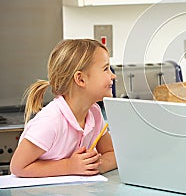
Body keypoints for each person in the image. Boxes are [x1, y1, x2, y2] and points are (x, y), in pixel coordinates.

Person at [10, 39, 117, 177]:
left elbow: (113, 154)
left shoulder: (94, 114)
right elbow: (18, 167)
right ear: (81, 79)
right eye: (105, 69)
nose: (113, 75)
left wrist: (96, 165)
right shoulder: (51, 121)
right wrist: (69, 166)